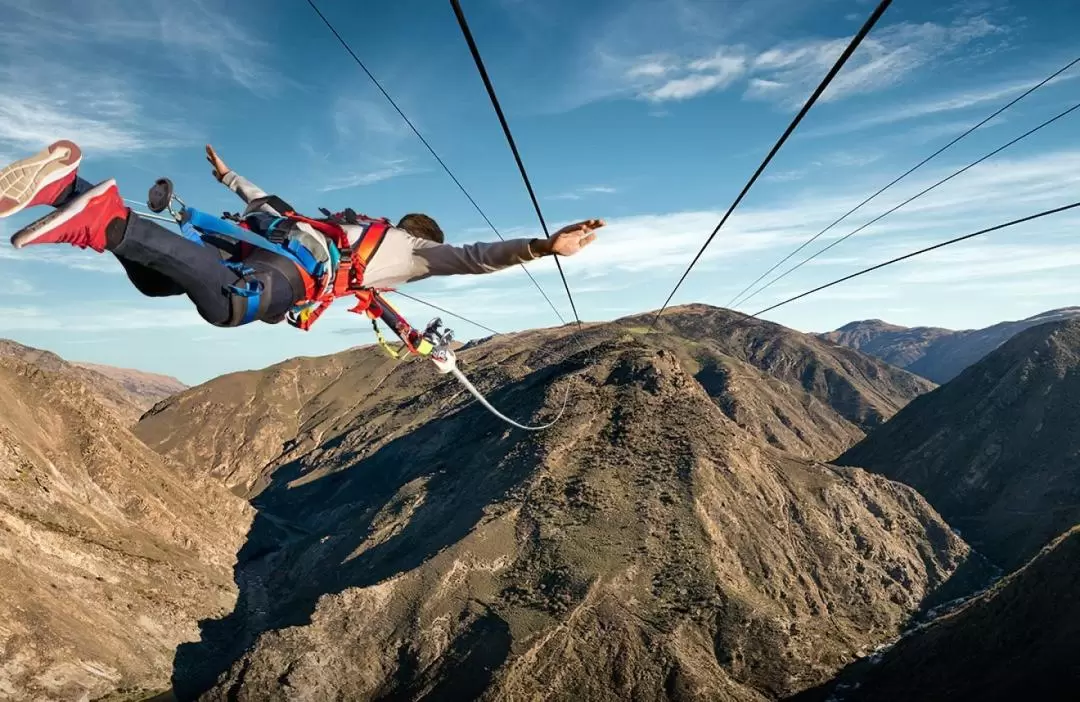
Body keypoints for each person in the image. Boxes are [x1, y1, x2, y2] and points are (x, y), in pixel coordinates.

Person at [0, 140, 603, 329]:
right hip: (289, 272)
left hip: (249, 241)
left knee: (160, 284)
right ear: (420, 235)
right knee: (230, 307)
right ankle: (104, 220)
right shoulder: (414, 251)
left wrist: (226, 173)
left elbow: (262, 199)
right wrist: (543, 247)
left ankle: (63, 189)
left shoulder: (344, 223)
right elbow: (473, 257)